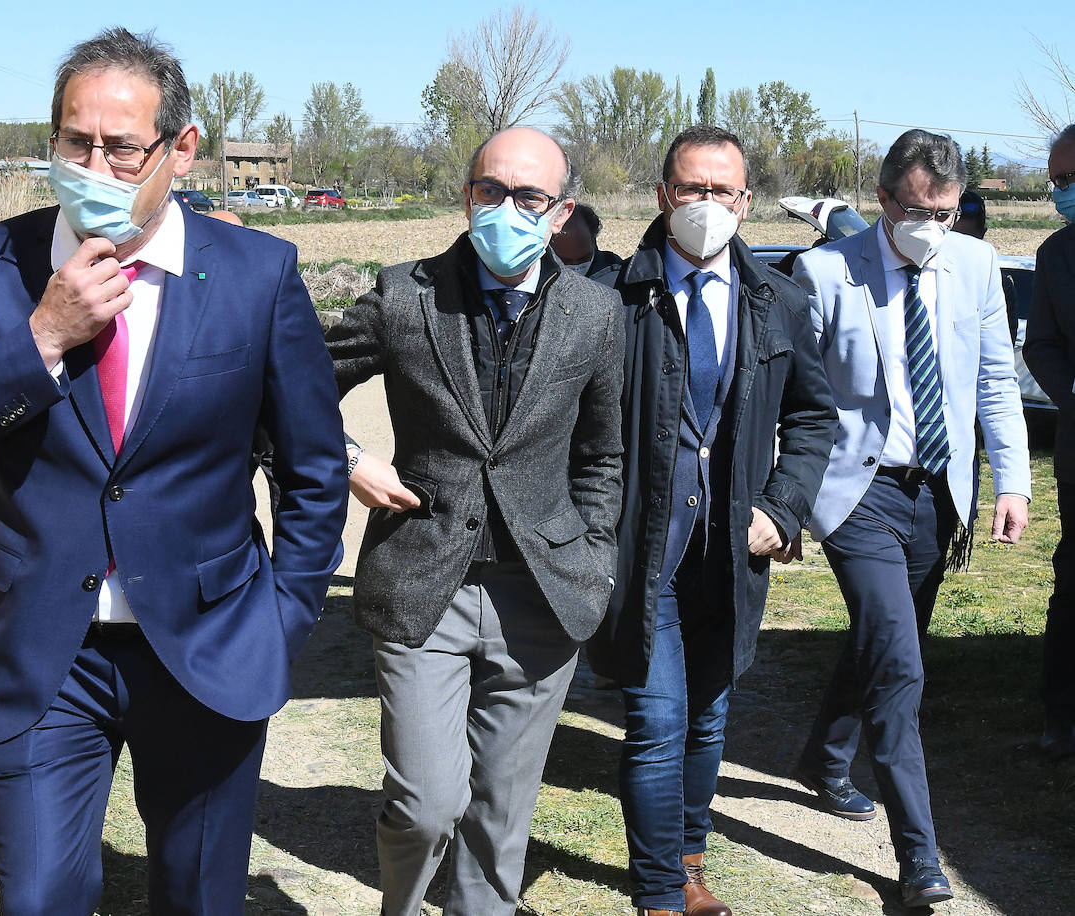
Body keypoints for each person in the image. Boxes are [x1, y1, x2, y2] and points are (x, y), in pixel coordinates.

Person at [0, 28, 348, 914]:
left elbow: (314, 470)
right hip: (41, 650)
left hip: (207, 645)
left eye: (121, 147)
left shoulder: (257, 274)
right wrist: (43, 337)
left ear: (180, 149)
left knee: (198, 898)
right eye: (74, 141)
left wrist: (283, 618)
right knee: (41, 897)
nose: (92, 164)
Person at [326, 126, 625, 915]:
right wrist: (349, 457)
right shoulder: (404, 295)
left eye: (528, 197)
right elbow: (293, 390)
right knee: (426, 804)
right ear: (467, 194)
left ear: (560, 212)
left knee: (499, 818)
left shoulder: (596, 315)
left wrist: (591, 554)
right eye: (490, 190)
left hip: (544, 596)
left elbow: (603, 457)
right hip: (426, 584)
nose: (506, 208)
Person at [586, 126, 837, 916]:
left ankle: (691, 857)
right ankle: (662, 891)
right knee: (656, 722)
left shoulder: (781, 301)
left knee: (707, 717)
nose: (705, 204)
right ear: (663, 196)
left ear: (746, 201)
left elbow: (813, 422)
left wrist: (784, 507)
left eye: (721, 191)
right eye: (690, 189)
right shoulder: (612, 297)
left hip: (732, 550)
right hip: (643, 550)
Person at [792, 128, 1030, 908]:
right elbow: (795, 398)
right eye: (921, 209)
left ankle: (824, 757)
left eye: (949, 211)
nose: (935, 224)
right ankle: (920, 857)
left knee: (885, 645)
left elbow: (996, 379)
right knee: (900, 666)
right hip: (858, 493)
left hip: (941, 495)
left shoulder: (978, 265)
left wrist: (1013, 483)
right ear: (885, 200)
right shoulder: (826, 272)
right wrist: (780, 498)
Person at [1022, 122, 1075, 759]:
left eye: (1071, 179)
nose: (1061, 193)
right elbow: (1041, 346)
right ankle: (1061, 717)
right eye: (1057, 182)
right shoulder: (1056, 255)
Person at [551, 202, 620, 277]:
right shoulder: (541, 274)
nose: (575, 267)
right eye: (565, 261)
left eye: (583, 259)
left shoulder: (614, 269)